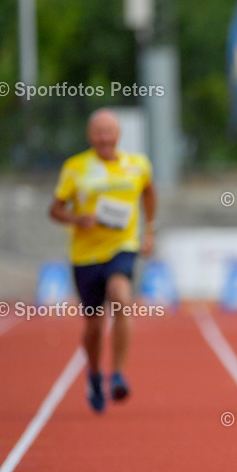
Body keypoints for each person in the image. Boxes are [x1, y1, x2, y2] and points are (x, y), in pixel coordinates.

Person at [49, 109, 156, 413]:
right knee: (94, 325)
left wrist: (150, 230)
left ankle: (117, 374)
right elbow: (54, 210)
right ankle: (94, 375)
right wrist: (77, 219)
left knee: (121, 297)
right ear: (89, 135)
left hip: (122, 246)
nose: (104, 138)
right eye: (98, 132)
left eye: (109, 131)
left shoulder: (138, 165)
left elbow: (149, 193)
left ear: (118, 134)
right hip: (85, 255)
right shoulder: (75, 167)